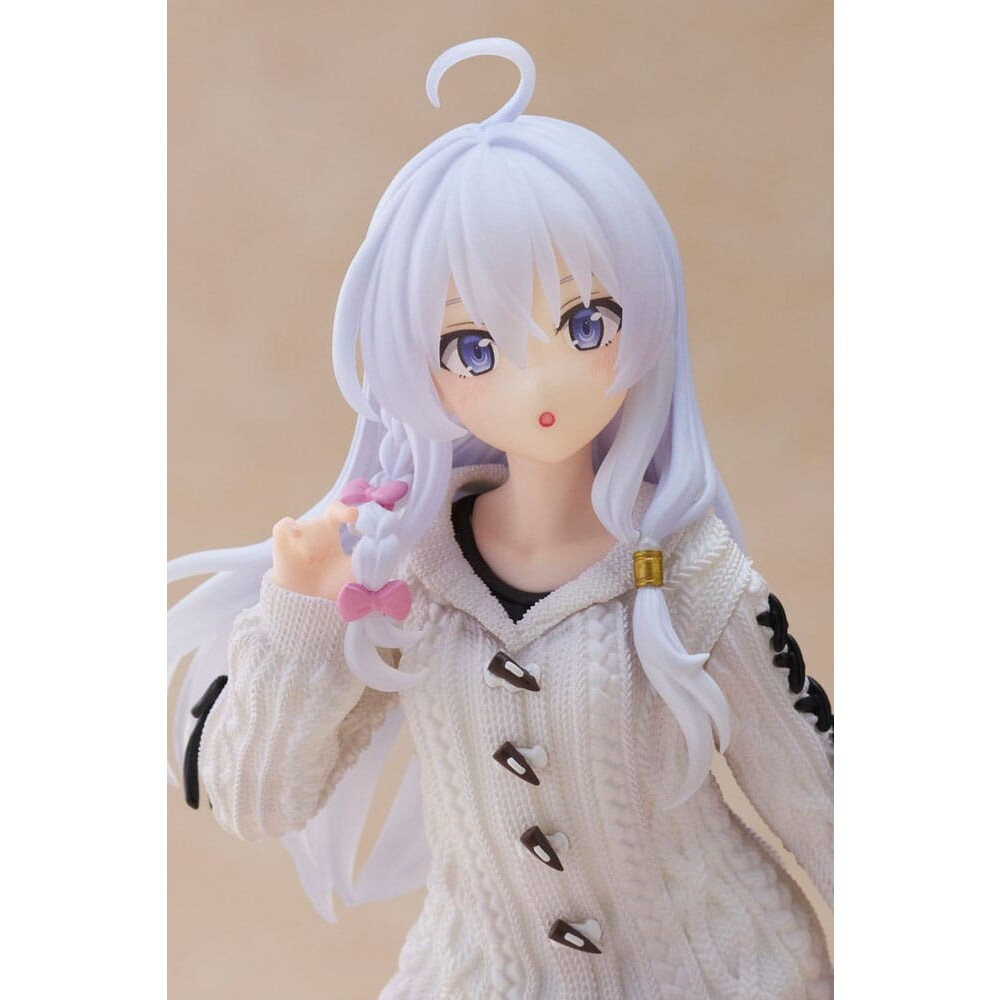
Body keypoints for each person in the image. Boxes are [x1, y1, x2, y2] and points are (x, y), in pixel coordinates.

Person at [169, 37, 833, 999]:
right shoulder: (407, 570)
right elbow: (258, 798)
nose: (540, 382)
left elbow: (819, 798)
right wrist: (302, 616)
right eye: (475, 346)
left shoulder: (684, 571)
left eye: (585, 324)